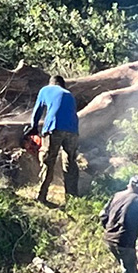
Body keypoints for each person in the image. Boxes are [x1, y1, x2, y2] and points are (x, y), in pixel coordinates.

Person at [30, 74, 79, 205]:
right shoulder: (69, 94)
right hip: (73, 130)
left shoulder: (45, 89)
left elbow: (37, 111)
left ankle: (41, 195)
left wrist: (33, 127)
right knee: (70, 162)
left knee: (48, 160)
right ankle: (72, 198)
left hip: (54, 127)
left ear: (51, 83)